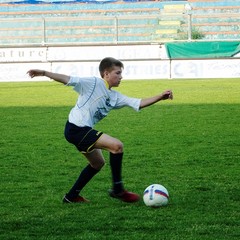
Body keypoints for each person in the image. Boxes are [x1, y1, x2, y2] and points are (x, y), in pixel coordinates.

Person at [27, 57, 173, 204]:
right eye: (118, 73)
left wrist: (160, 96)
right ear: (106, 73)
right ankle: (118, 189)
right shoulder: (93, 83)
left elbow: (138, 103)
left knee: (97, 164)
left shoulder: (114, 96)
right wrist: (44, 73)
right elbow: (68, 79)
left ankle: (71, 197)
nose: (121, 77)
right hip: (76, 128)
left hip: (80, 131)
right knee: (117, 146)